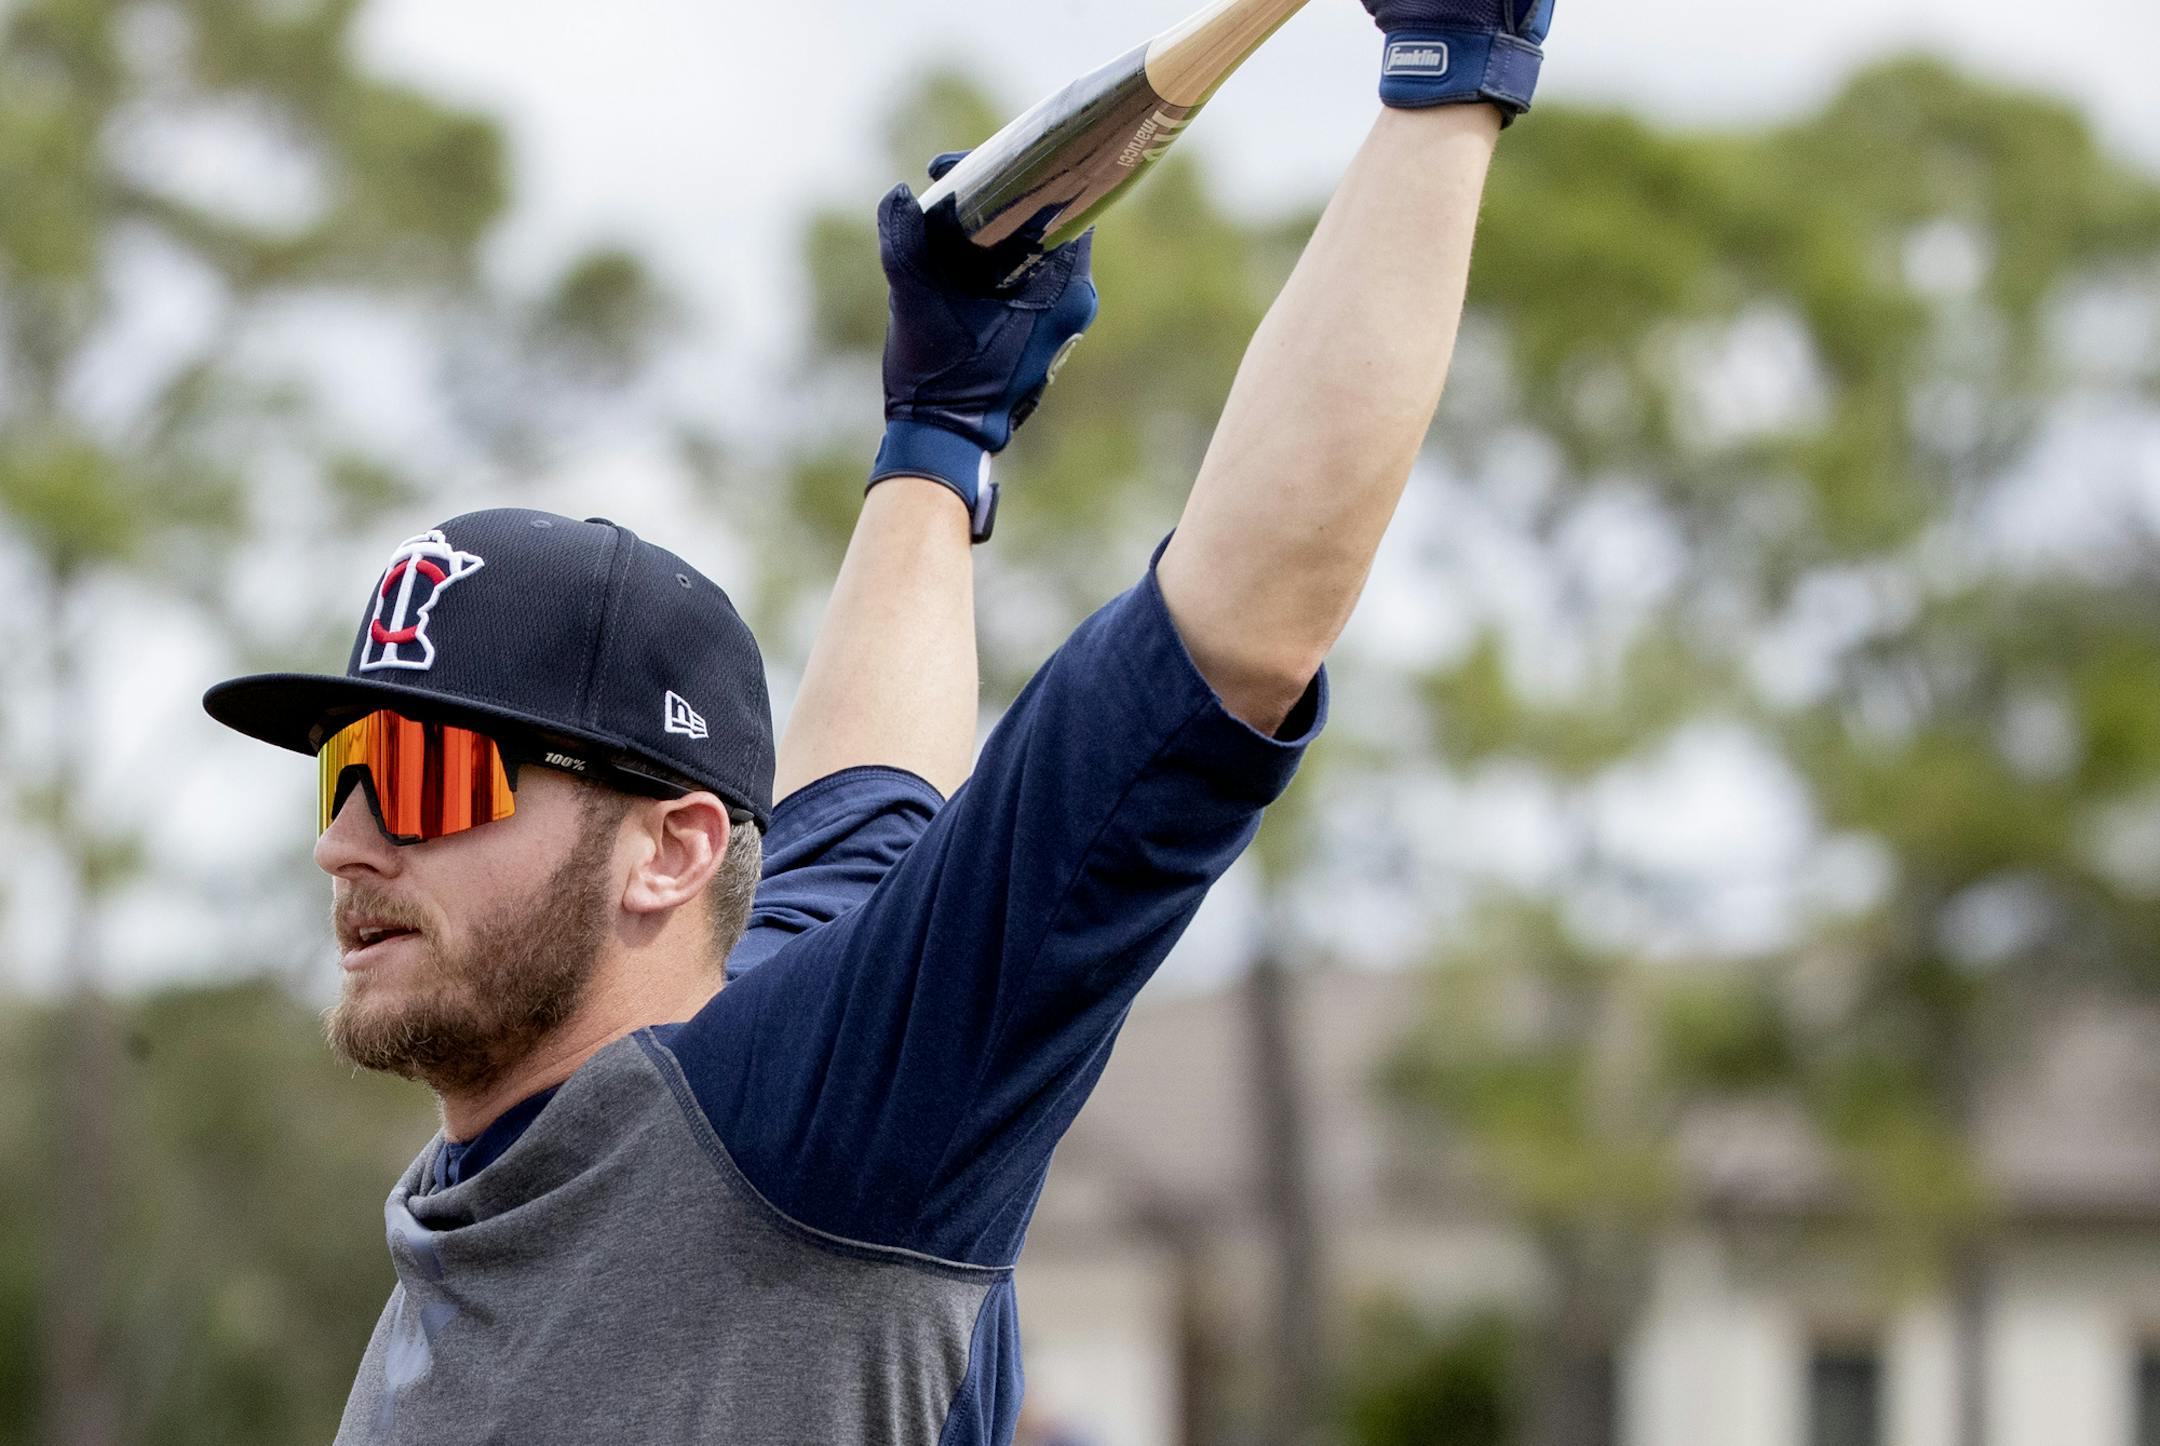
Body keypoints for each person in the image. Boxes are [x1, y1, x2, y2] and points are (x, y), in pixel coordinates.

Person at [200, 0, 1553, 1439]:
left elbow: (1230, 635)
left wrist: (1447, 86)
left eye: (421, 774)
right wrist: (938, 434)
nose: (348, 842)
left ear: (671, 850)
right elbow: (863, 805)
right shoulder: (504, 1174)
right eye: (345, 770)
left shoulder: (821, 1129)